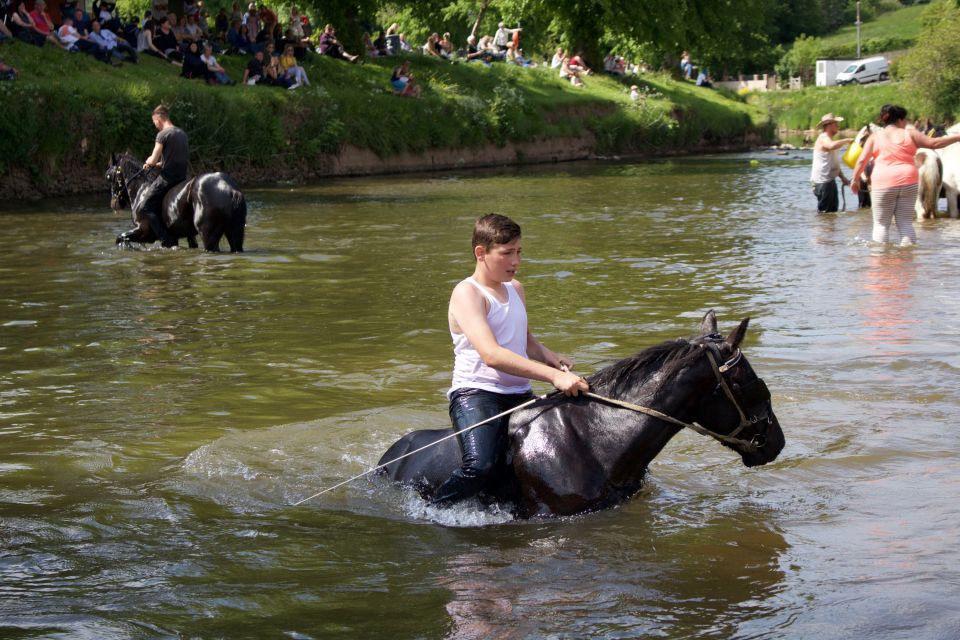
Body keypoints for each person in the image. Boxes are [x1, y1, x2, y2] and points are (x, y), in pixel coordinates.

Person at [429, 214, 588, 507]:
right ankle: (432, 510)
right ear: (481, 253)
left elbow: (524, 340)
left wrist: (551, 358)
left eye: (519, 252)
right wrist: (553, 377)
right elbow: (492, 354)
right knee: (480, 467)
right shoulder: (467, 293)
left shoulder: (516, 288)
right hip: (477, 395)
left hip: (519, 395)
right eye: (506, 253)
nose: (516, 261)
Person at [852, 104, 960, 245]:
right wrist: (958, 137)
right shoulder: (910, 133)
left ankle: (880, 261)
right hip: (908, 182)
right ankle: (907, 259)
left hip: (883, 183)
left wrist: (855, 179)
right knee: (905, 224)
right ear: (901, 120)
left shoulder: (875, 137)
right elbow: (935, 143)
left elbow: (861, 161)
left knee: (881, 224)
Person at [137, 105, 189, 248]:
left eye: (154, 122)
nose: (155, 126)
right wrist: (159, 164)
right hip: (183, 178)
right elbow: (172, 160)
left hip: (168, 178)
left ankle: (166, 239)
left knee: (145, 206)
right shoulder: (181, 133)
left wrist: (149, 161)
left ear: (158, 119)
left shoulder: (163, 135)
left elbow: (153, 159)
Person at [810, 113, 854, 213]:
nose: (838, 126)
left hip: (829, 181)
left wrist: (843, 178)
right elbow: (831, 146)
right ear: (829, 125)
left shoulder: (828, 139)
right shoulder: (823, 137)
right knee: (826, 214)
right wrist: (847, 140)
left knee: (831, 214)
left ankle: (830, 229)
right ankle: (824, 229)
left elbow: (833, 163)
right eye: (836, 123)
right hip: (823, 182)